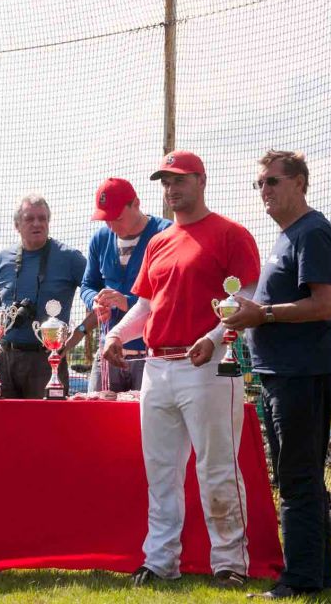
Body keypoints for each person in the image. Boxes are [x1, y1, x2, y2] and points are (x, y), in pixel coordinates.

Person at [101, 150, 260, 589]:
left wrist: (215, 338)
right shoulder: (159, 241)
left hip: (209, 364)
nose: (171, 189)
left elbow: (246, 297)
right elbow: (146, 306)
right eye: (166, 182)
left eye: (179, 180)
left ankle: (230, 563)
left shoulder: (230, 234)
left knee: (217, 467)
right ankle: (160, 560)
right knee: (161, 471)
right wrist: (117, 336)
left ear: (201, 180)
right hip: (158, 365)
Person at [221, 150, 331, 599]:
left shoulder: (312, 232)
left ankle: (299, 580)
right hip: (283, 374)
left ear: (299, 182)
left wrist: (264, 314)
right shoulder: (287, 236)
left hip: (302, 374)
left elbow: (327, 305)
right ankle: (317, 576)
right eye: (260, 184)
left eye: (272, 181)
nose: (264, 191)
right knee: (301, 476)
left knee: (296, 479)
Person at [0, 194, 87, 398]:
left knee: (46, 419)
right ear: (17, 225)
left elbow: (99, 300)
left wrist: (76, 336)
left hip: (47, 361)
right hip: (3, 358)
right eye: (29, 219)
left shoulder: (70, 258)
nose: (37, 224)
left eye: (42, 218)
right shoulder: (2, 259)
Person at [78, 177, 171, 395]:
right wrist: (95, 301)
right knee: (97, 414)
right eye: (105, 220)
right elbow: (87, 285)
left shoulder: (165, 233)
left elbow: (171, 294)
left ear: (136, 204)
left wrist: (127, 302)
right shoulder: (101, 238)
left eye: (117, 218)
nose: (111, 226)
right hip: (107, 353)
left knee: (145, 417)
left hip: (151, 355)